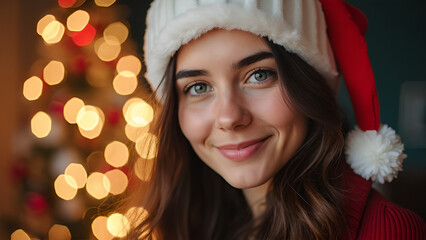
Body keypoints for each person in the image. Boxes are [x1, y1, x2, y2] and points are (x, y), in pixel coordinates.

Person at [121, 0, 426, 239]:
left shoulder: (388, 230)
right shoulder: (192, 223)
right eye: (198, 87)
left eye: (259, 75)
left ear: (310, 85)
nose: (229, 117)